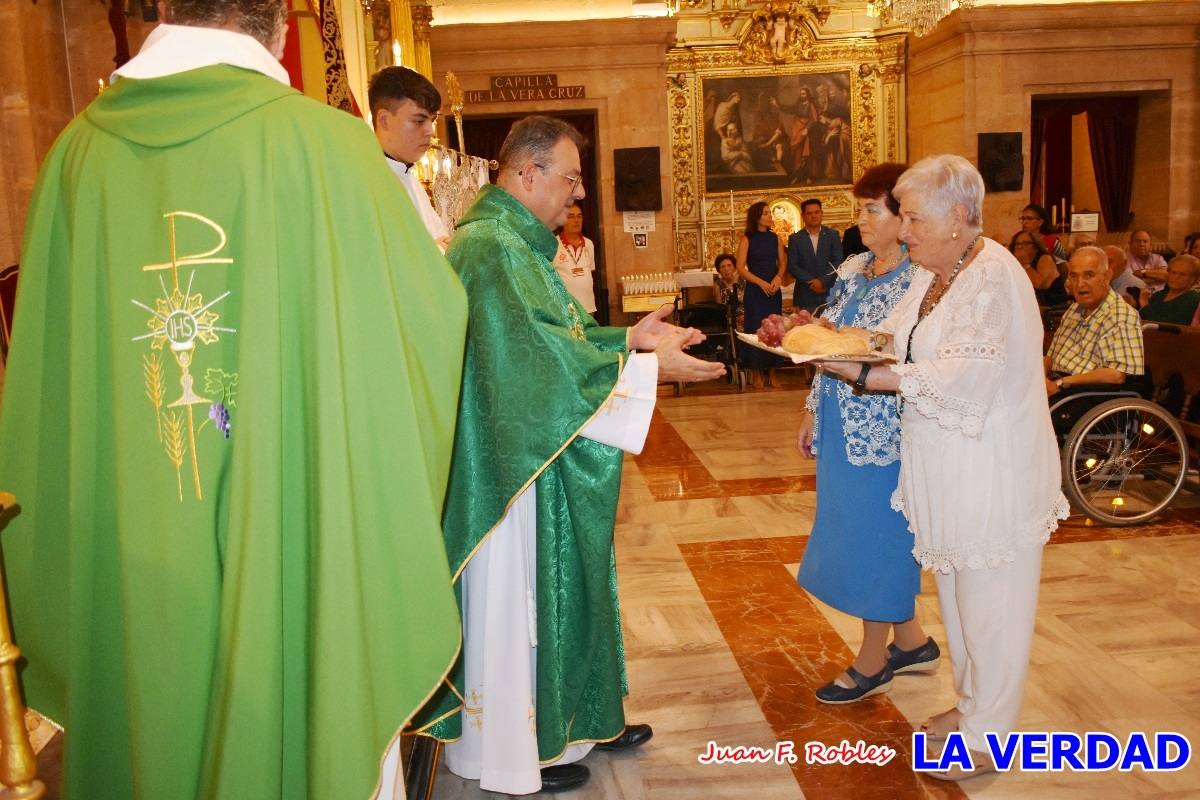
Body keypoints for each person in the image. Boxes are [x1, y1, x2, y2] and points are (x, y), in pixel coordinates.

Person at [0, 3, 468, 799]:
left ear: (160, 11)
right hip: (289, 536)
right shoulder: (329, 149)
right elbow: (428, 323)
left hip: (132, 548)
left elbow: (45, 388)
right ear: (281, 30)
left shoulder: (75, 159)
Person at [412, 115, 724, 796]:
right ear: (529, 175)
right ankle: (510, 751)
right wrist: (650, 370)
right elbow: (539, 371)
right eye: (570, 179)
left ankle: (573, 723)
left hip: (535, 453)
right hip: (513, 470)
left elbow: (558, 337)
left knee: (554, 595)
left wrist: (624, 341)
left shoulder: (512, 242)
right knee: (520, 602)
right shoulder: (492, 248)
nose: (576, 196)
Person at [817, 155, 1067, 781]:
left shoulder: (993, 277)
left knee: (993, 607)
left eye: (914, 219)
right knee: (958, 601)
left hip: (992, 472)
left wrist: (866, 375)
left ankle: (991, 737)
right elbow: (892, 340)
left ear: (958, 217)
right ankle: (974, 707)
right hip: (947, 468)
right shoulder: (940, 273)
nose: (904, 232)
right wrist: (826, 340)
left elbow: (963, 379)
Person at [796, 163, 939, 705]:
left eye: (870, 209)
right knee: (851, 530)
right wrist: (812, 408)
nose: (859, 221)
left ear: (904, 217)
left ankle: (874, 660)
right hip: (841, 417)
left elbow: (903, 351)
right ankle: (912, 642)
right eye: (859, 209)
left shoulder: (919, 279)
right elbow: (827, 343)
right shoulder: (857, 268)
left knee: (878, 539)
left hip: (886, 429)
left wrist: (848, 342)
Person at [1046, 246, 1145, 398]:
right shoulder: (1073, 310)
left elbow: (1116, 375)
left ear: (1107, 277)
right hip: (1057, 383)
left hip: (1085, 393)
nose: (1079, 284)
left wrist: (1061, 383)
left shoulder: (1121, 315)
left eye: (1089, 275)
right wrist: (1040, 379)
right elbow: (1050, 357)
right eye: (1074, 276)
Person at [369, 65, 450, 250]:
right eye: (419, 121)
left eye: (433, 120)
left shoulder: (410, 179)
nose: (430, 131)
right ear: (384, 120)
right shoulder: (365, 184)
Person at [738, 200, 788, 388]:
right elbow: (740, 267)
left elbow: (782, 262)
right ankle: (757, 372)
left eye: (770, 213)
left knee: (775, 328)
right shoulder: (747, 238)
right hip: (755, 290)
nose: (770, 216)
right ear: (757, 217)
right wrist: (760, 282)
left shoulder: (775, 238)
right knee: (755, 328)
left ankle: (773, 372)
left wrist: (778, 277)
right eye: (766, 213)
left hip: (773, 290)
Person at [787, 198, 843, 311]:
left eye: (817, 212)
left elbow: (838, 261)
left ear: (822, 213)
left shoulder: (832, 235)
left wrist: (822, 281)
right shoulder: (795, 239)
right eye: (809, 213)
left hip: (830, 292)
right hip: (804, 295)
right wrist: (812, 281)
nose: (814, 216)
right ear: (803, 216)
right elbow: (793, 266)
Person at [552, 205, 597, 313]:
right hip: (566, 308)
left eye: (579, 216)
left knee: (590, 330)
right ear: (563, 220)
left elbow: (590, 270)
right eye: (571, 217)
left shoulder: (589, 244)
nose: (576, 220)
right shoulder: (553, 243)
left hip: (588, 306)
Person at [1008, 229, 1067, 305]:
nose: (1020, 247)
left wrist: (1026, 264)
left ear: (1035, 247)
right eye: (1017, 244)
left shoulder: (1045, 258)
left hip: (1051, 307)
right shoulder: (1016, 262)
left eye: (1026, 243)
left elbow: (1041, 285)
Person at [1141, 254, 1200, 324]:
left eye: (1183, 274)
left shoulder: (1193, 299)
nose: (1176, 277)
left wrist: (1144, 303)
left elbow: (1167, 327)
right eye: (1173, 272)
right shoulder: (1158, 295)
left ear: (1194, 279)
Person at [1105, 243, 1148, 307]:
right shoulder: (1100, 282)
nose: (1104, 266)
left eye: (1109, 262)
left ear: (1124, 263)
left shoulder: (1136, 286)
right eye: (1102, 262)